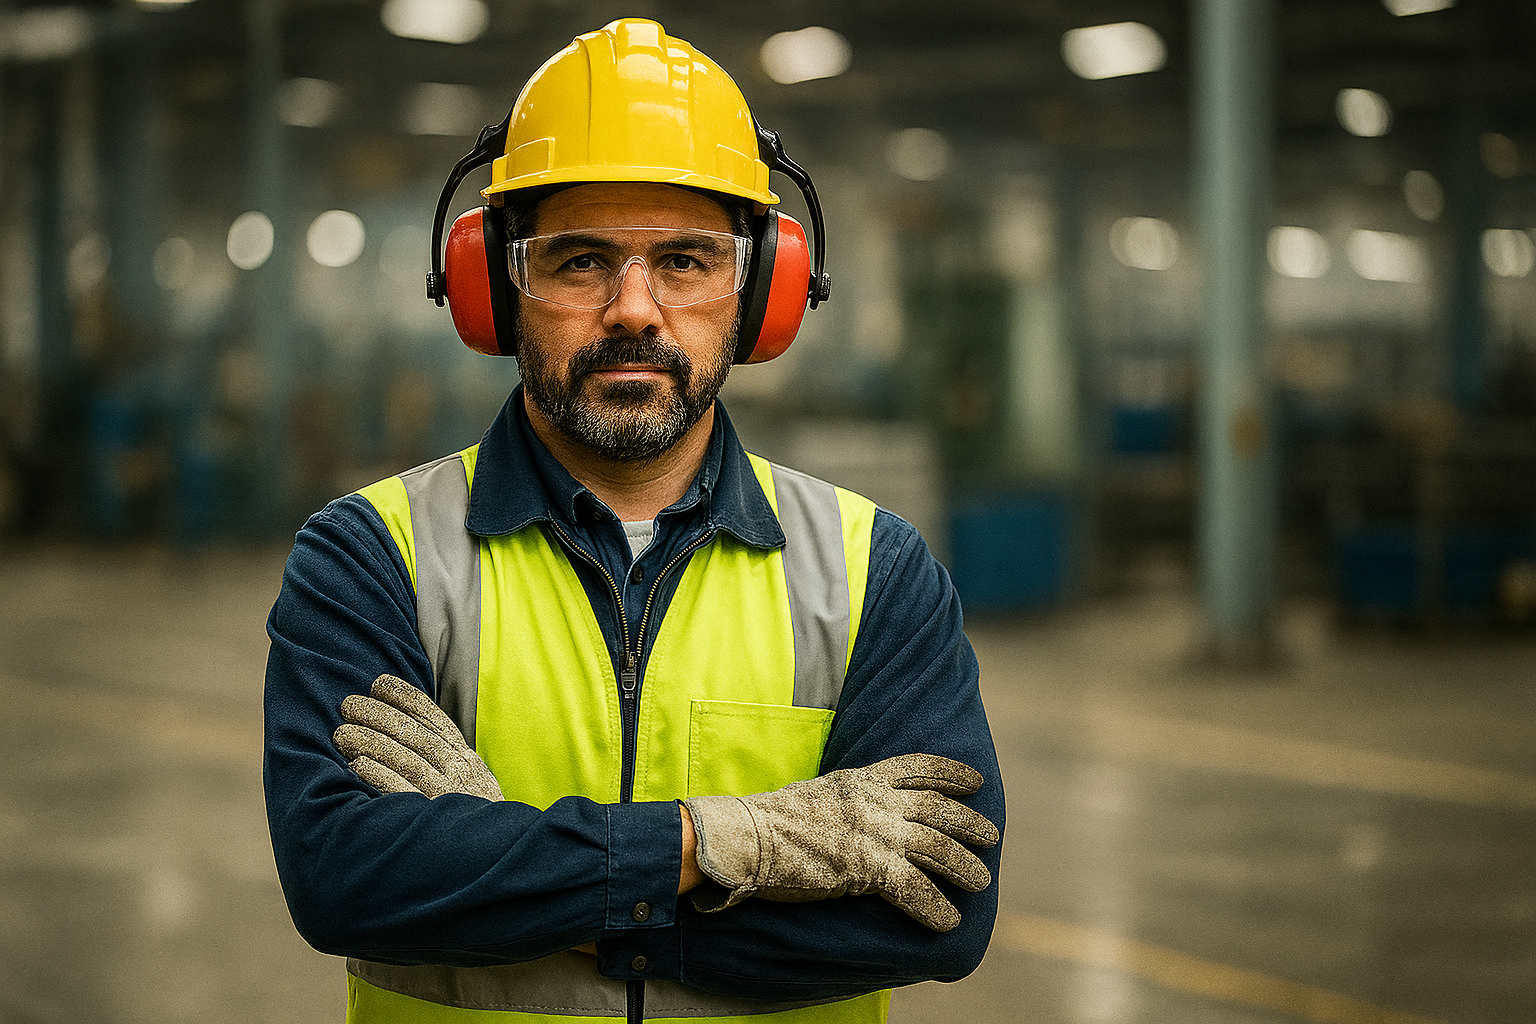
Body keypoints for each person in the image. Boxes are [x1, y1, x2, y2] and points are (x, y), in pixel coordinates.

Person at [264, 17, 1004, 1024]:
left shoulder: (875, 570)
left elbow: (942, 916)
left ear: (761, 295)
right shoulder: (373, 555)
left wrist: (521, 871)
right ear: (496, 289)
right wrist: (719, 845)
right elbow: (345, 880)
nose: (634, 308)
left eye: (688, 261)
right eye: (579, 262)